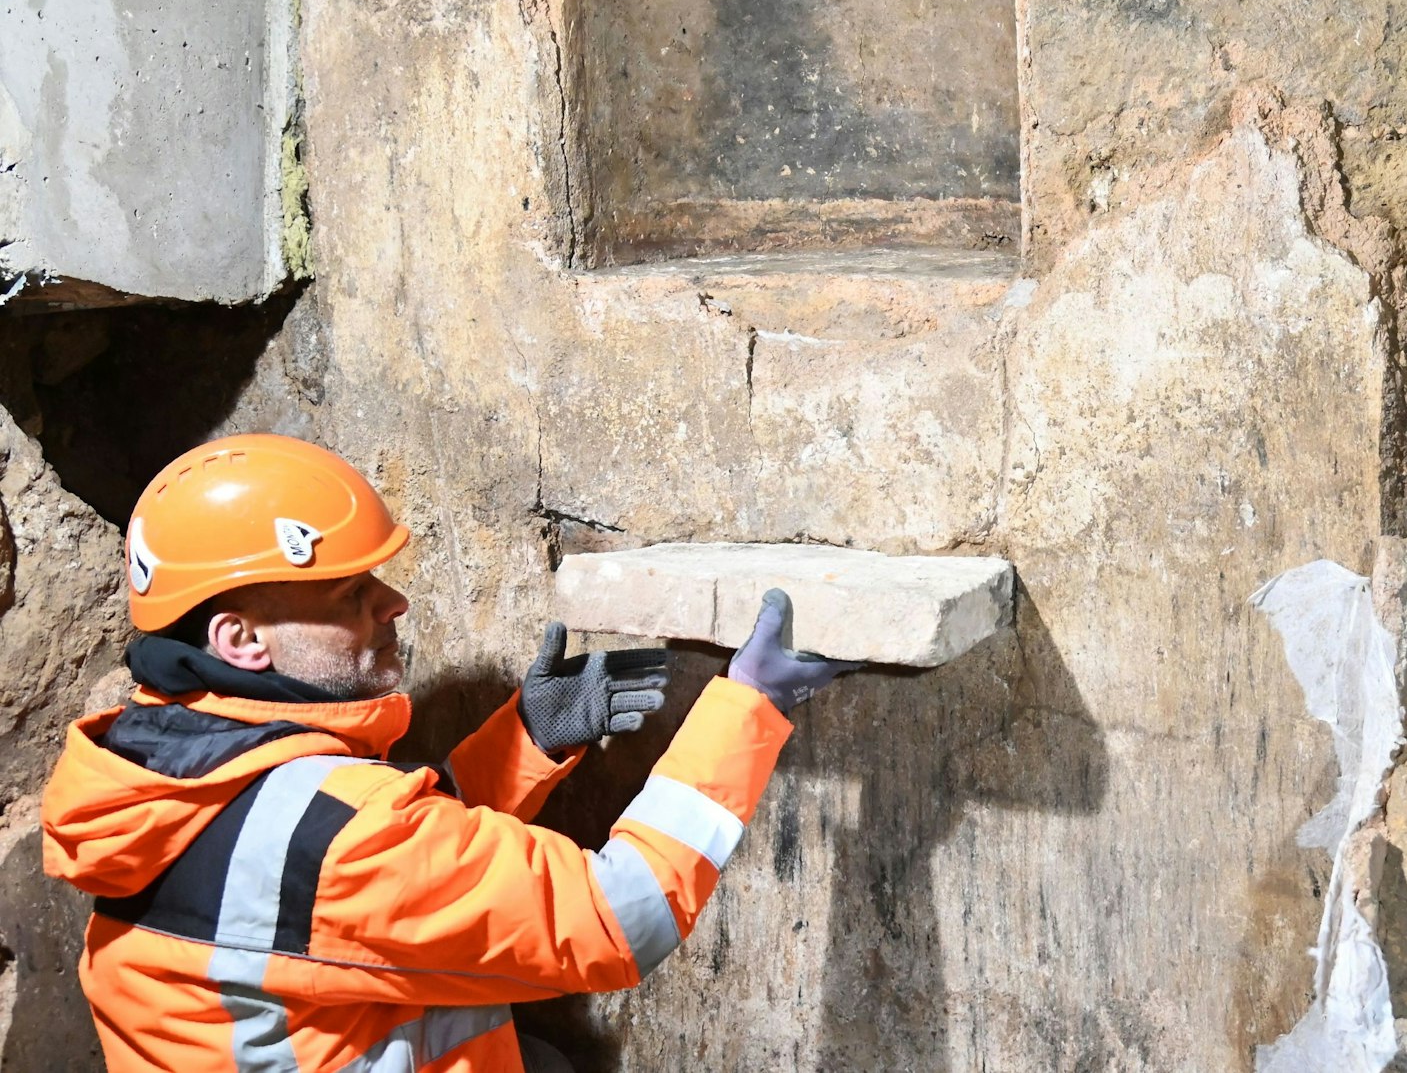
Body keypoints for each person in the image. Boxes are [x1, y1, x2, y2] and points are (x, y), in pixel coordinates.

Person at [41, 432, 854, 1073]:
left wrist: (525, 743)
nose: (393, 602)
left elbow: (355, 892)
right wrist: (752, 704)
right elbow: (620, 916)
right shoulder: (342, 840)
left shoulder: (149, 770)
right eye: (349, 595)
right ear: (241, 638)